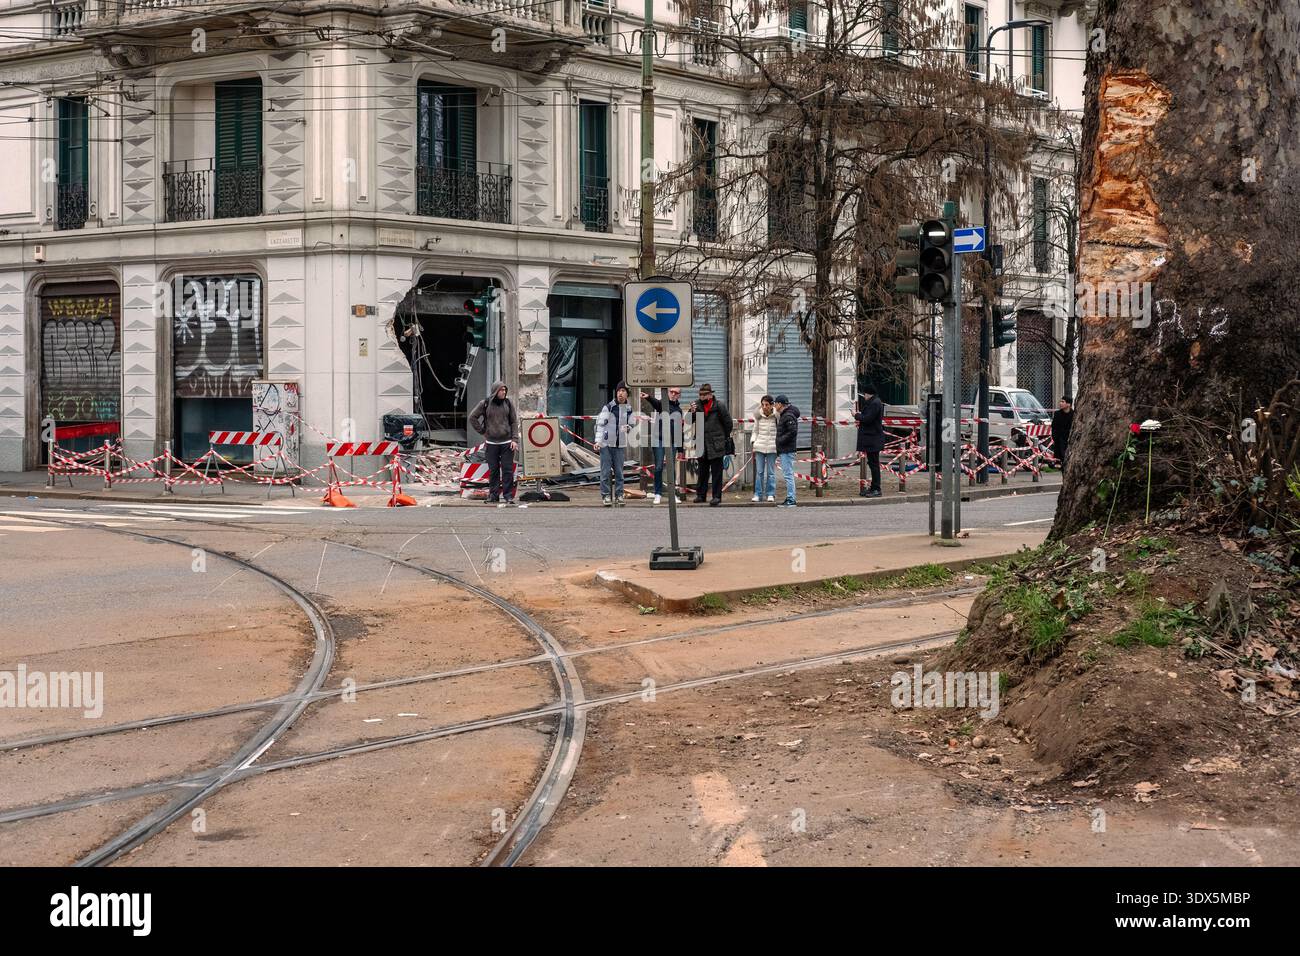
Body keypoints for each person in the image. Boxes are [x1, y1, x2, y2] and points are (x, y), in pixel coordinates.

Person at [468, 381, 519, 505]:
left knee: (507, 470)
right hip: (491, 444)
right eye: (501, 390)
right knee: (493, 471)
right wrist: (482, 431)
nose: (504, 392)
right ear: (496, 391)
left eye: (505, 390)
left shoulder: (508, 403)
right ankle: (493, 495)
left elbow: (513, 422)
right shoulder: (485, 403)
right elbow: (472, 417)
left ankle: (508, 496)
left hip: (507, 443)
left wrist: (514, 439)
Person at [687, 383, 731, 506]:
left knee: (717, 472)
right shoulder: (696, 405)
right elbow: (688, 421)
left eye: (704, 394)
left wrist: (722, 437)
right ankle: (701, 495)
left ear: (710, 395)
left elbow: (728, 423)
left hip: (716, 443)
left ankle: (716, 496)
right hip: (701, 443)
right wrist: (691, 411)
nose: (702, 397)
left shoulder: (719, 406)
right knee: (702, 471)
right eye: (700, 394)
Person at [641, 387, 684, 505]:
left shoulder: (679, 411)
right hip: (659, 440)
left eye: (676, 393)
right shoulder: (662, 404)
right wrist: (648, 397)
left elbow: (680, 430)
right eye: (672, 392)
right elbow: (656, 403)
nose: (673, 394)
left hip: (673, 441)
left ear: (679, 395)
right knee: (659, 466)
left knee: (672, 469)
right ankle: (658, 493)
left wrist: (681, 449)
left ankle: (673, 494)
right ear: (668, 392)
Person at [595, 382, 633, 506]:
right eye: (619, 391)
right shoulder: (608, 407)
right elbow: (600, 425)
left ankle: (619, 495)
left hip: (619, 445)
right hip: (606, 444)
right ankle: (606, 496)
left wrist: (629, 427)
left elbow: (632, 423)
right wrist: (598, 441)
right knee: (605, 472)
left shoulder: (628, 409)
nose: (620, 393)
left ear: (627, 394)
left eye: (623, 391)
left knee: (619, 472)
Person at [854, 382, 885, 498]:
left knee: (874, 464)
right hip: (871, 438)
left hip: (873, 439)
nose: (864, 396)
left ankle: (877, 488)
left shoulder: (875, 403)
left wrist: (856, 415)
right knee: (872, 464)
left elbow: (867, 419)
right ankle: (873, 487)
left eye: (865, 394)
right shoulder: (875, 402)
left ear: (868, 394)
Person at [748, 394, 778, 503]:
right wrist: (753, 442)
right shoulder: (758, 417)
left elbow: (780, 431)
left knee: (771, 472)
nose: (764, 407)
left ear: (771, 405)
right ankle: (757, 494)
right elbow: (755, 431)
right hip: (759, 446)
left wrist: (778, 444)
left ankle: (770, 494)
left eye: (766, 404)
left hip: (772, 447)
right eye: (762, 405)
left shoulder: (776, 417)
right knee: (759, 472)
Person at [773, 394, 800, 507]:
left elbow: (792, 432)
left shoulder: (788, 416)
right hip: (785, 449)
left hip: (787, 450)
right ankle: (790, 498)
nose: (774, 405)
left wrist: (780, 440)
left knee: (788, 474)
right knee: (787, 474)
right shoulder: (785, 415)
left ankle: (791, 499)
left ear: (780, 404)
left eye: (775, 403)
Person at [1051, 396, 1074, 469]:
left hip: (1070, 438)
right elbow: (1054, 427)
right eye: (1060, 401)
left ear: (1068, 404)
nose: (1060, 403)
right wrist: (1055, 437)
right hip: (1059, 438)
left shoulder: (1074, 414)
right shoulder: (1057, 414)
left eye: (1062, 402)